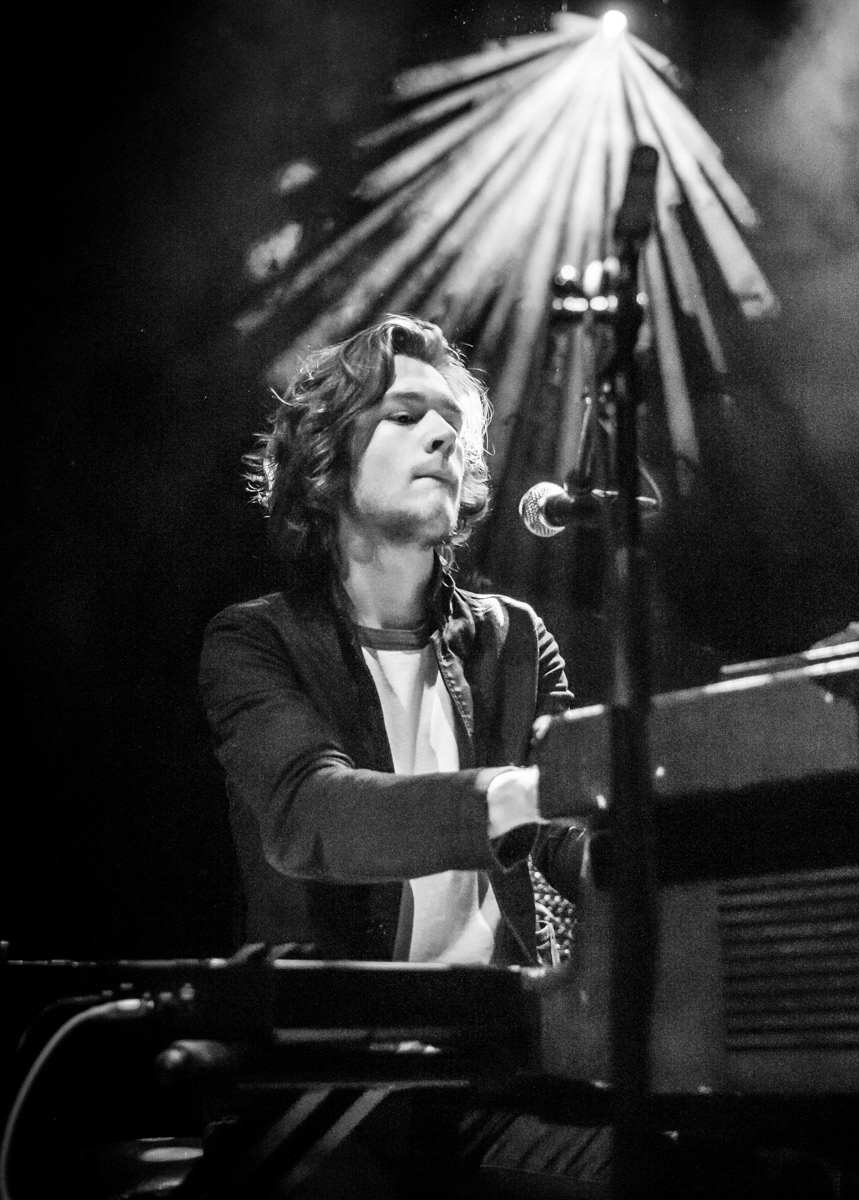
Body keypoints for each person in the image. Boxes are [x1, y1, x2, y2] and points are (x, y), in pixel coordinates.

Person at [198, 314, 608, 1195]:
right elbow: (313, 815)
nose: (444, 437)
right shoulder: (256, 643)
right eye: (406, 415)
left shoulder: (514, 640)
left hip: (490, 1071)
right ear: (327, 458)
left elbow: (567, 834)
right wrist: (514, 794)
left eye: (454, 423)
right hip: (330, 1090)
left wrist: (658, 833)